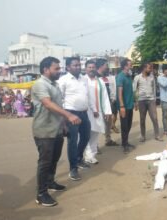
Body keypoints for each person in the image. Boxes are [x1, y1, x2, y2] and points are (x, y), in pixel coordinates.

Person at [32, 56, 81, 207]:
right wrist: (69, 115)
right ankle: (41, 194)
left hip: (57, 129)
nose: (59, 71)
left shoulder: (55, 84)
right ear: (46, 70)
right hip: (44, 130)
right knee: (45, 162)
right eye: (56, 68)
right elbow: (48, 104)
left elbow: (59, 105)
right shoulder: (40, 84)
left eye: (59, 68)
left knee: (54, 159)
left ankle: (51, 182)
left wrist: (64, 124)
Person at [58, 57, 91, 181]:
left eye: (79, 65)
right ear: (68, 67)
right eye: (75, 65)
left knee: (86, 136)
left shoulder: (84, 79)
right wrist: (63, 118)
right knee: (72, 141)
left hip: (83, 113)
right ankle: (73, 169)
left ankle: (78, 159)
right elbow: (59, 99)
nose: (78, 67)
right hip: (70, 113)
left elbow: (86, 95)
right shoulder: (63, 80)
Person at [84, 69, 112, 164]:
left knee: (96, 133)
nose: (91, 69)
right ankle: (88, 155)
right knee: (86, 134)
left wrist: (107, 111)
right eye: (89, 67)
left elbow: (105, 97)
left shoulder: (100, 81)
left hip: (98, 111)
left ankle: (92, 155)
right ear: (86, 69)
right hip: (86, 111)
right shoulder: (83, 80)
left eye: (93, 67)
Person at [133, 62, 162, 142]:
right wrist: (135, 102)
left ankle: (157, 135)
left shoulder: (152, 77)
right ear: (144, 68)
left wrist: (155, 99)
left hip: (151, 100)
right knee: (142, 119)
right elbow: (134, 90)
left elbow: (154, 88)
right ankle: (143, 136)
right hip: (141, 101)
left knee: (155, 118)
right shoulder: (137, 77)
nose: (151, 70)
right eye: (149, 68)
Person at [96, 58, 118, 146]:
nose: (108, 68)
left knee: (108, 122)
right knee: (97, 125)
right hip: (98, 105)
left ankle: (108, 140)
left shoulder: (107, 77)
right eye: (106, 66)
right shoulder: (95, 77)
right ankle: (95, 145)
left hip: (108, 103)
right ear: (101, 66)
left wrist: (112, 99)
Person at [116, 59, 135, 154]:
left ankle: (126, 142)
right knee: (124, 126)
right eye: (130, 64)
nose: (131, 65)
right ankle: (124, 144)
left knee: (129, 125)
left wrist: (134, 102)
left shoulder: (128, 76)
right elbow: (120, 93)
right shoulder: (120, 77)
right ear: (125, 66)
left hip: (130, 105)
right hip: (124, 106)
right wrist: (122, 106)